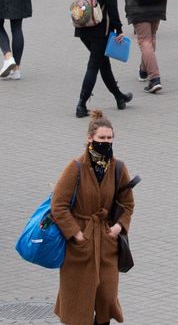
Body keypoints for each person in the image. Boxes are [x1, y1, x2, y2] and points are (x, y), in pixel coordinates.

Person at [49, 109, 135, 325]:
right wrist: (76, 234)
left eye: (109, 138)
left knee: (107, 296)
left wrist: (118, 227)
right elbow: (58, 205)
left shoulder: (118, 168)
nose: (106, 142)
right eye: (101, 138)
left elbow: (127, 203)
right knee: (79, 299)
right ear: (90, 138)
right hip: (80, 246)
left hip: (107, 243)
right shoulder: (75, 168)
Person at [73, 0, 133, 118]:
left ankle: (119, 97)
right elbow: (112, 8)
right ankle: (81, 105)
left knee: (103, 63)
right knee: (94, 65)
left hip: (82, 26)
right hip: (100, 30)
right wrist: (118, 29)